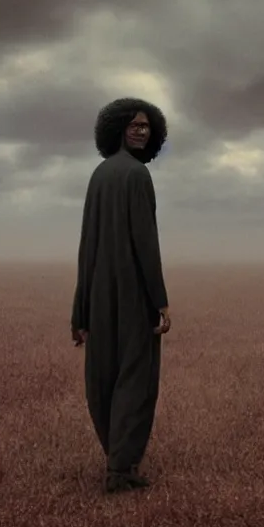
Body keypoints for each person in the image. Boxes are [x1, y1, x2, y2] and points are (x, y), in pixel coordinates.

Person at [70, 97, 172, 493]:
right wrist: (159, 299)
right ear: (117, 129)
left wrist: (80, 311)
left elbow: (86, 246)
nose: (142, 130)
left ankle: (116, 458)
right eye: (134, 125)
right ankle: (121, 466)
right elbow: (146, 244)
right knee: (136, 376)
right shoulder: (137, 176)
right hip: (131, 293)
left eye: (146, 126)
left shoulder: (99, 175)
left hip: (98, 292)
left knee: (104, 375)